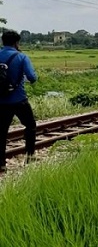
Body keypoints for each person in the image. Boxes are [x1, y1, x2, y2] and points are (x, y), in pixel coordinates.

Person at [0, 30, 38, 172]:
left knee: (2, 131)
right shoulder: (21, 57)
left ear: (2, 41)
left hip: (1, 102)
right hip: (19, 100)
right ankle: (29, 156)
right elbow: (32, 77)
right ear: (17, 42)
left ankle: (2, 163)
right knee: (30, 126)